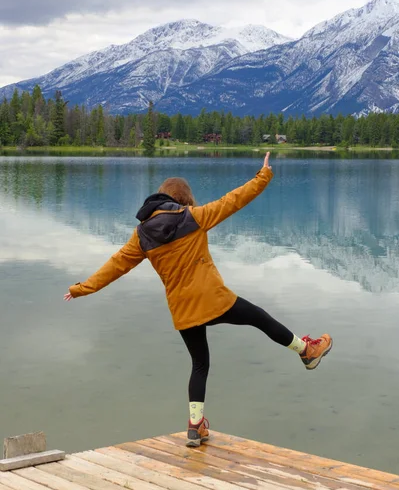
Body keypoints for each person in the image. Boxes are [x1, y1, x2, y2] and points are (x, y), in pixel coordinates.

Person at [64, 152, 332, 447]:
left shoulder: (141, 236)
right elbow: (235, 200)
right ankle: (306, 350)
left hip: (183, 309)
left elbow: (115, 266)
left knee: (200, 364)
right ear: (184, 199)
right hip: (213, 299)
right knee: (259, 318)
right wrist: (264, 174)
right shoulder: (194, 217)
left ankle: (195, 426)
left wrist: (81, 288)